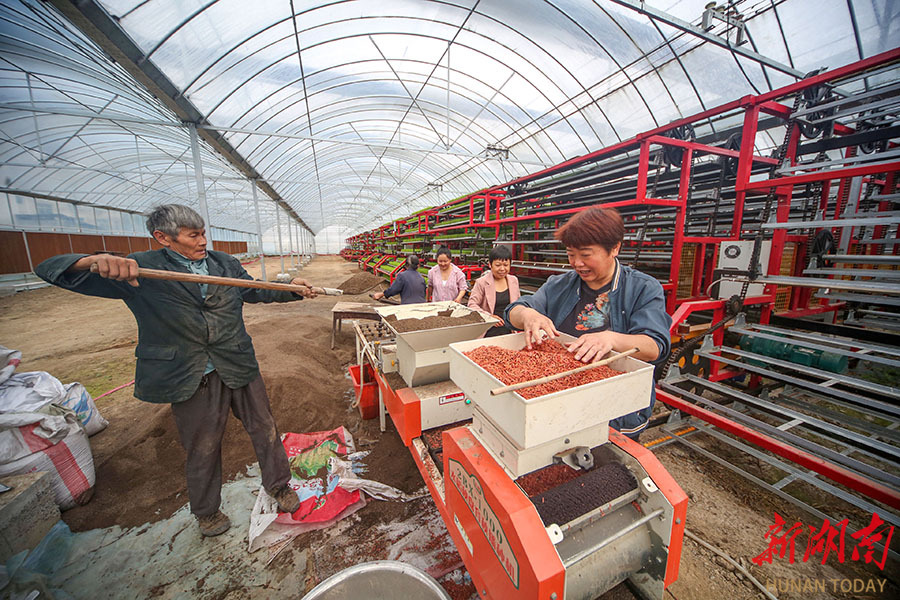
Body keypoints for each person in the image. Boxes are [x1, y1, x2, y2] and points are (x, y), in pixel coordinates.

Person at [34, 204, 311, 537]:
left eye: (203, 232)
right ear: (162, 237)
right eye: (193, 235)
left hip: (238, 362)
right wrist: (92, 261)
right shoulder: (139, 269)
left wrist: (291, 288)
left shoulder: (223, 264)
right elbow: (50, 269)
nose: (202, 240)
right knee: (203, 445)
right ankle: (207, 512)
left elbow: (252, 290)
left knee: (265, 429)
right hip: (189, 373)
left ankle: (279, 486)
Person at [505, 207, 671, 440]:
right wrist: (529, 316)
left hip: (614, 409)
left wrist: (610, 338)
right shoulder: (560, 285)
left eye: (586, 254)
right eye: (571, 254)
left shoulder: (642, 288)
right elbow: (514, 310)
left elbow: (654, 346)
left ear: (615, 248)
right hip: (559, 401)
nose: (577, 263)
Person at [468, 245, 521, 337]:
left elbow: (518, 303)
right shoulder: (482, 282)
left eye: (506, 265)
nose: (502, 269)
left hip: (509, 331)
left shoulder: (513, 281)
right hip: (488, 331)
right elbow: (472, 304)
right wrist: (489, 317)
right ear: (490, 264)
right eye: (498, 265)